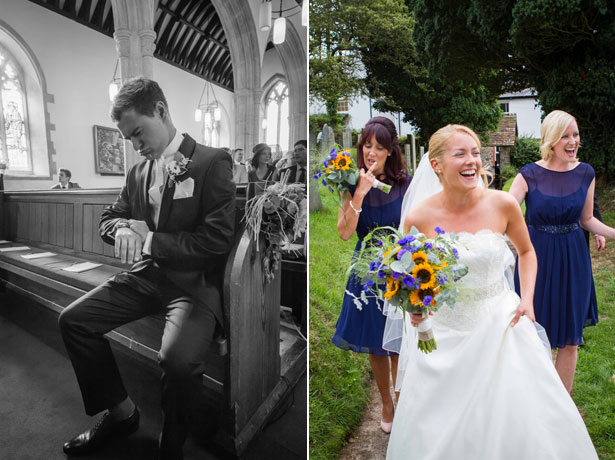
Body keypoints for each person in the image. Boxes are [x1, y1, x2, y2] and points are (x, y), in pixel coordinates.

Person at [386, 124, 598, 459]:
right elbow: (403, 275)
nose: (472, 160)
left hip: (502, 325)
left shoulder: (502, 205)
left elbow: (527, 252)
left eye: (475, 152)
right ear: (437, 164)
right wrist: (414, 308)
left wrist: (527, 298)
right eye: (460, 154)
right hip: (442, 337)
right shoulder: (418, 216)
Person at [58, 77, 236, 459]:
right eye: (129, 140)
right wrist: (122, 226)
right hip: (146, 277)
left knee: (177, 360)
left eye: (138, 133)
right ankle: (122, 414)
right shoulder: (137, 173)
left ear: (161, 111)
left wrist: (150, 238)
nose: (137, 146)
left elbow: (217, 240)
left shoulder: (211, 161)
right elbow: (110, 217)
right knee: (73, 320)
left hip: (193, 285)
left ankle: (171, 443)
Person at [509, 110, 615, 393]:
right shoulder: (528, 174)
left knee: (570, 337)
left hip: (573, 258)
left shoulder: (585, 173)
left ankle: (561, 409)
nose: (572, 141)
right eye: (565, 136)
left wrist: (612, 232)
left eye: (576, 134)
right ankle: (536, 402)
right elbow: (503, 212)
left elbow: (587, 219)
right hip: (536, 258)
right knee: (534, 332)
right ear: (551, 140)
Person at [332, 117, 411, 433]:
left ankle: (404, 400)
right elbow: (344, 232)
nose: (371, 151)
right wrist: (360, 194)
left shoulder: (406, 184)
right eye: (367, 144)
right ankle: (387, 404)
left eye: (379, 146)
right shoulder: (348, 183)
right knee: (376, 342)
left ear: (391, 151)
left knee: (398, 342)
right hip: (365, 269)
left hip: (398, 267)